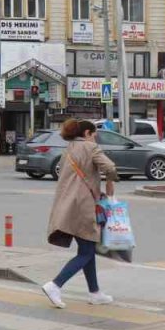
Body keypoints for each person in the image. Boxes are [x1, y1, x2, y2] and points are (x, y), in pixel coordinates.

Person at [41, 118, 119, 308]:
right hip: (84, 206)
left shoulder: (67, 150)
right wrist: (110, 183)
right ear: (87, 134)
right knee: (85, 252)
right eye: (94, 135)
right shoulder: (91, 148)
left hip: (67, 205)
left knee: (87, 249)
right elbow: (110, 167)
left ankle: (95, 292)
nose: (95, 138)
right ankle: (55, 285)